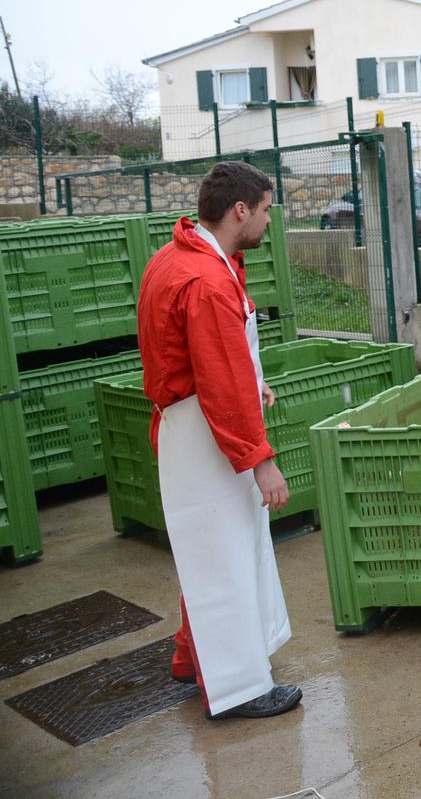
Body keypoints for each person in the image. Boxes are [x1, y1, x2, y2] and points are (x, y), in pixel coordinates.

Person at [136, 161, 300, 721]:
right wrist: (260, 462)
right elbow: (219, 378)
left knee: (207, 551)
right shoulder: (206, 280)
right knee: (225, 557)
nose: (268, 222)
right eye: (265, 211)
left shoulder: (181, 255)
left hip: (188, 424)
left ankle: (192, 657)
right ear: (239, 211)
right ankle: (240, 687)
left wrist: (254, 381)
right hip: (206, 432)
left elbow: (208, 355)